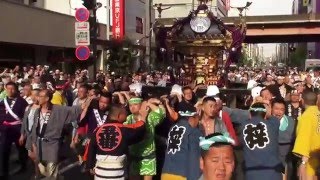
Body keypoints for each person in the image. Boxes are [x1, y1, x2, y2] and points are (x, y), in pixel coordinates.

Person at [30, 89, 85, 178]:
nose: (38, 98)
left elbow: (74, 110)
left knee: (51, 170)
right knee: (43, 170)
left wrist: (86, 103)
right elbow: (34, 129)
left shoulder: (58, 109)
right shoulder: (37, 111)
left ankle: (54, 177)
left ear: (47, 98)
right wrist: (33, 144)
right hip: (40, 143)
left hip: (52, 143)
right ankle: (58, 177)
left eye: (40, 96)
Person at [86, 104, 148, 180]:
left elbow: (91, 148)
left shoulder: (97, 130)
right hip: (117, 173)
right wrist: (143, 117)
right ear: (119, 116)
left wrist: (89, 165)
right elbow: (140, 128)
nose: (127, 115)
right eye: (125, 113)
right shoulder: (124, 129)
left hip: (100, 172)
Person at [125, 97, 165, 180]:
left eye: (135, 105)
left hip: (148, 155)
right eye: (130, 105)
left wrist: (148, 103)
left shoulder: (150, 117)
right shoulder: (128, 118)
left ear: (141, 105)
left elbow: (160, 113)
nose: (132, 107)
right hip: (134, 156)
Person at [242, 103, 283, 180]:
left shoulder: (243, 125)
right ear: (265, 114)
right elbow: (272, 117)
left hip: (251, 173)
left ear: (250, 114)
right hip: (272, 172)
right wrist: (268, 110)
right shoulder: (273, 124)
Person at [161, 110, 202, 180]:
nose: (198, 122)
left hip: (166, 172)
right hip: (182, 174)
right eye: (198, 118)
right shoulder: (193, 131)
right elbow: (194, 156)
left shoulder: (172, 128)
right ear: (191, 118)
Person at [0, 82, 29, 180]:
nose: (10, 91)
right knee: (4, 151)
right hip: (6, 130)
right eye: (8, 89)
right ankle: (4, 172)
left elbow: (26, 118)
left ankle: (23, 166)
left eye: (12, 89)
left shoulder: (22, 102)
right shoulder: (2, 102)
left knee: (21, 149)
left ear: (16, 90)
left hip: (18, 129)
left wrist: (23, 132)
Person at [292, 91, 320, 180]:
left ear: (302, 101)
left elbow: (304, 139)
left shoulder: (306, 117)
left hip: (310, 160)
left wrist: (303, 163)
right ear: (316, 101)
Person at [20, 87, 40, 179]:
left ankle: (37, 174)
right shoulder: (28, 107)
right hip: (28, 135)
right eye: (33, 95)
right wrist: (22, 134)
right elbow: (24, 121)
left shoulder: (43, 108)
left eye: (37, 95)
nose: (34, 97)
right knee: (31, 155)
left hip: (38, 136)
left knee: (36, 156)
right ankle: (39, 170)